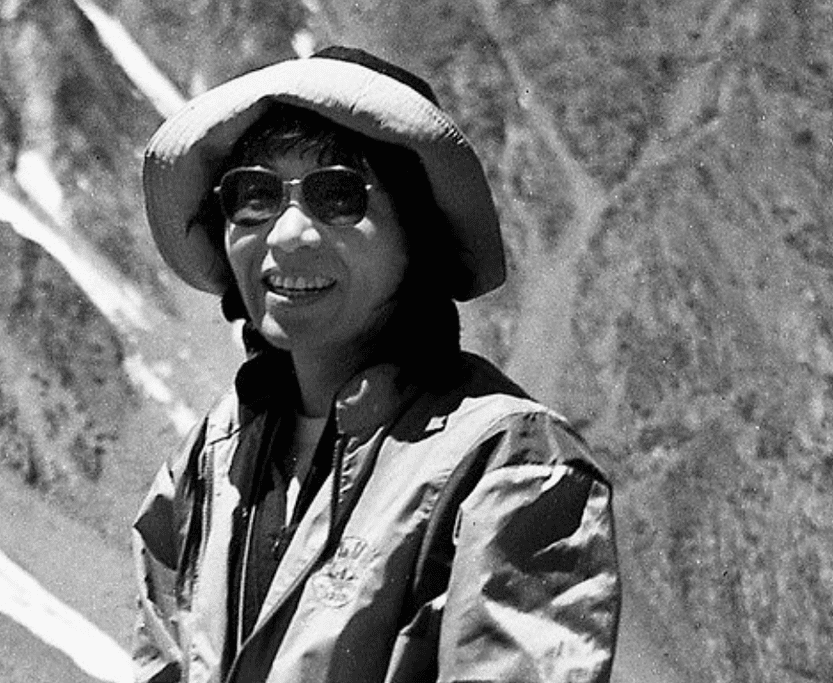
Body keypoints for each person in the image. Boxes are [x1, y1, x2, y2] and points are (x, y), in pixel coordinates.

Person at [132, 46, 620, 683]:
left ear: (416, 236)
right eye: (253, 196)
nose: (286, 236)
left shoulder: (509, 465)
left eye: (338, 195)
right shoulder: (204, 466)